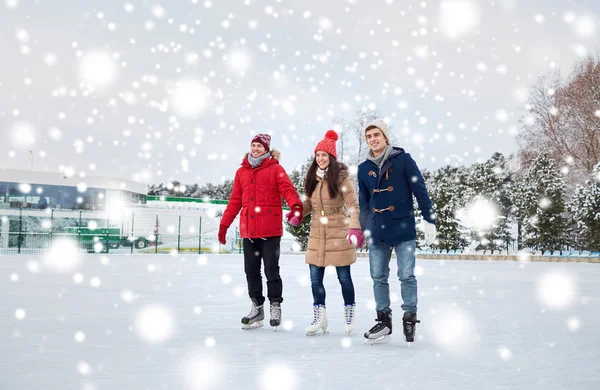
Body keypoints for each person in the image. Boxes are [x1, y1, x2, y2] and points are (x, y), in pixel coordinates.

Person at [357, 119, 437, 344]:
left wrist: (429, 220)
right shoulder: (364, 169)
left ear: (385, 137)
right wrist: (363, 229)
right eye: (369, 136)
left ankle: (409, 318)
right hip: (377, 228)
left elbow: (420, 190)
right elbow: (364, 203)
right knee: (378, 276)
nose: (373, 139)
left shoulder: (403, 160)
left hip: (403, 227)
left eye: (376, 135)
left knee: (406, 275)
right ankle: (384, 321)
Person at [218, 133, 303, 330]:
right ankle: (257, 307)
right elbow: (235, 201)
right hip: (249, 231)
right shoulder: (242, 172)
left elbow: (288, 190)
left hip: (270, 230)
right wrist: (224, 225)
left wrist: (296, 207)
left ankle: (275, 305)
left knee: (271, 269)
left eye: (259, 146)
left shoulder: (275, 169)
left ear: (266, 149)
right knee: (251, 271)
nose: (255, 148)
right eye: (253, 145)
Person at [291, 130, 364, 336]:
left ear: (331, 158)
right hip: (317, 231)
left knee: (344, 278)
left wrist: (355, 227)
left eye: (324, 155)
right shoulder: (313, 178)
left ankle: (349, 311)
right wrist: (298, 213)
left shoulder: (341, 179)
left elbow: (353, 206)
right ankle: (319, 316)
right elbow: (309, 203)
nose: (320, 158)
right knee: (315, 278)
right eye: (318, 155)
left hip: (338, 231)